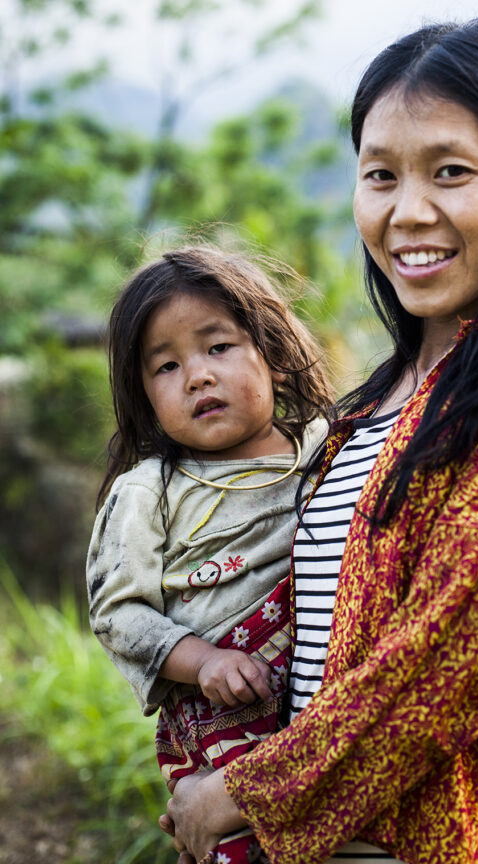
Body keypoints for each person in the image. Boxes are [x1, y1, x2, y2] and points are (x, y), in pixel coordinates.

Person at [161, 19, 478, 864]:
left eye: (451, 173)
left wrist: (243, 790)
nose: (407, 211)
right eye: (379, 175)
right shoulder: (365, 407)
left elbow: (439, 669)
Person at [87, 245, 332, 864]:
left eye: (218, 347)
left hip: (325, 710)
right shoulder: (149, 492)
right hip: (221, 713)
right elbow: (118, 614)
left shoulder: (329, 449)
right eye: (165, 366)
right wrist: (203, 664)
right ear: (143, 395)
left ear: (273, 354)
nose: (196, 375)